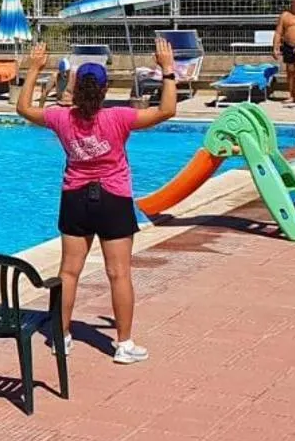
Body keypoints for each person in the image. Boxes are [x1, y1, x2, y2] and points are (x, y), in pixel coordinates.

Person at [14, 38, 178, 365]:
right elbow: (167, 110)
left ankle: (61, 338)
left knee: (69, 273)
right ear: (103, 91)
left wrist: (33, 68)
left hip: (75, 198)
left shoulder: (61, 119)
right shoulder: (119, 117)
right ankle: (124, 345)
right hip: (113, 199)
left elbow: (22, 109)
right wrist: (168, 70)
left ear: (75, 88)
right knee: (119, 273)